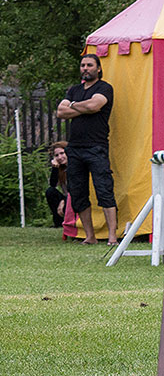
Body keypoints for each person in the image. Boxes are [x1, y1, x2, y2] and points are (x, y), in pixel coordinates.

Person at [56, 52, 118, 245]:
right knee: (78, 192)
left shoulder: (104, 88)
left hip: (96, 147)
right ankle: (90, 236)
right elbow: (60, 112)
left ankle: (112, 237)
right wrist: (81, 106)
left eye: (89, 65)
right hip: (74, 148)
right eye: (83, 65)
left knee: (104, 190)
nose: (85, 68)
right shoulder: (74, 89)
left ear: (98, 68)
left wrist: (73, 107)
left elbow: (95, 105)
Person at [45, 141, 80, 239]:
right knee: (50, 192)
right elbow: (52, 184)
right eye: (56, 155)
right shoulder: (61, 169)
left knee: (68, 203)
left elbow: (74, 189)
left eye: (62, 153)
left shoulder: (76, 167)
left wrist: (64, 201)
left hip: (76, 197)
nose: (60, 157)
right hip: (67, 197)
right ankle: (58, 223)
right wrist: (55, 168)